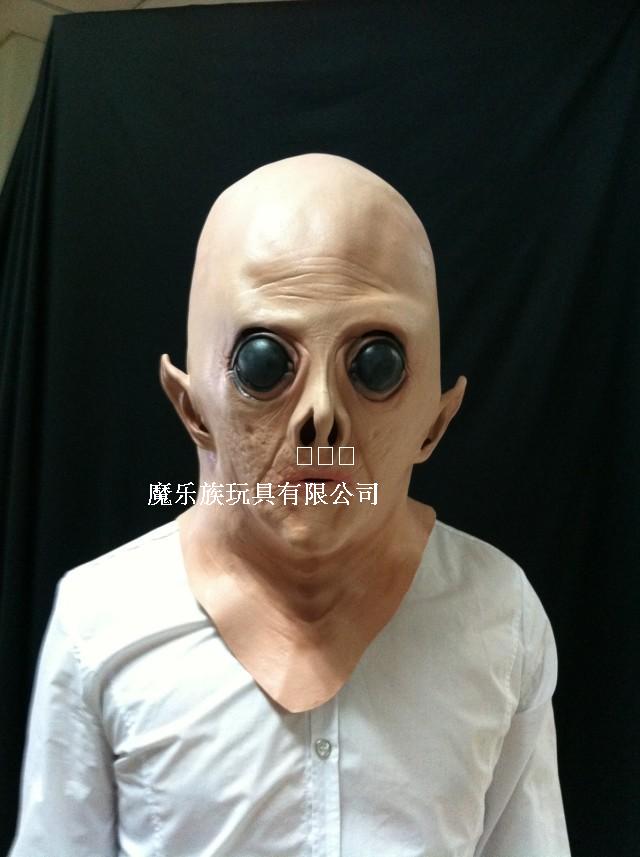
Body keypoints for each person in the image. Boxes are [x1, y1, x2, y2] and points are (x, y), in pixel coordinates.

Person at [10, 153, 571, 856]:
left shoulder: (498, 620)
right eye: (265, 362)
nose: (321, 415)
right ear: (191, 407)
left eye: (376, 364)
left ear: (436, 419)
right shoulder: (101, 626)